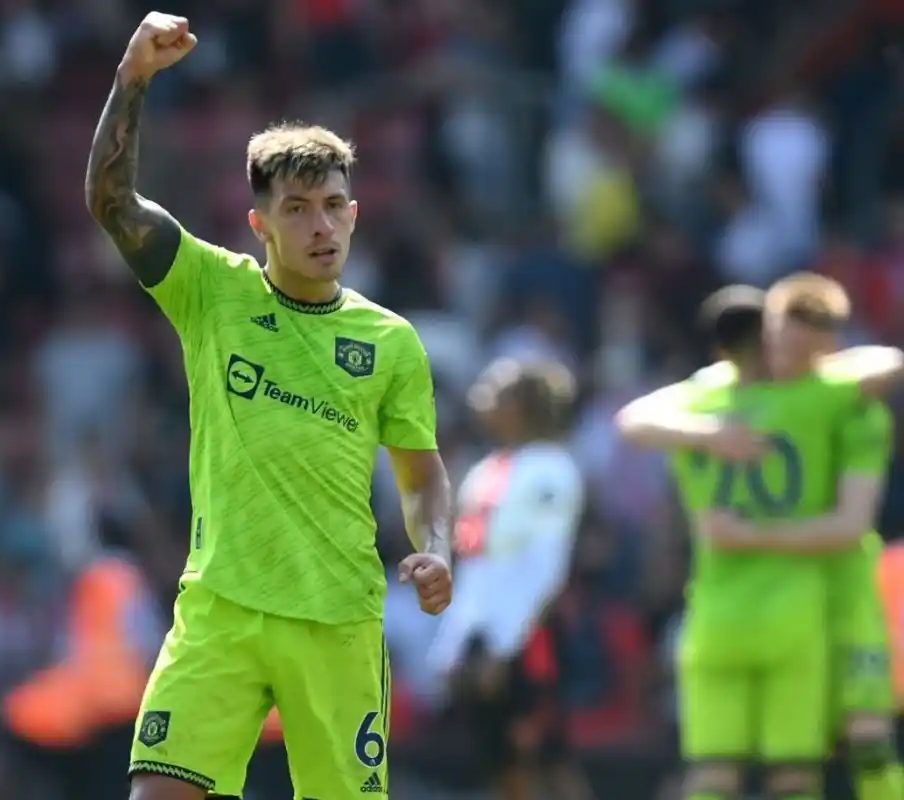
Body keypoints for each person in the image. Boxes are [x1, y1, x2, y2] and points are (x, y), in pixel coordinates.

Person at [83, 12, 454, 800]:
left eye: (334, 205)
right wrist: (132, 77)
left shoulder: (390, 343)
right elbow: (111, 200)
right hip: (221, 606)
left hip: (337, 622)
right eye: (298, 209)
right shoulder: (212, 290)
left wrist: (438, 548)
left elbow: (423, 478)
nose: (322, 225)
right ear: (260, 224)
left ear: (354, 210)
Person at [615, 276, 904, 800]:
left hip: (839, 587)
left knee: (865, 739)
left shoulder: (842, 400)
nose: (784, 356)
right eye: (777, 341)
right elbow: (634, 420)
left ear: (824, 345)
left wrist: (745, 533)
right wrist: (709, 435)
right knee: (784, 769)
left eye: (799, 345)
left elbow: (848, 526)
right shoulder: (726, 398)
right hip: (788, 595)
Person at [429, 358, 590, 800]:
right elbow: (478, 567)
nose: (480, 398)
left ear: (519, 404)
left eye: (493, 390)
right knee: (501, 764)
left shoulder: (550, 470)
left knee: (547, 761)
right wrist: (455, 641)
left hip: (531, 636)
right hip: (485, 637)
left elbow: (545, 566)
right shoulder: (485, 472)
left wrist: (505, 647)